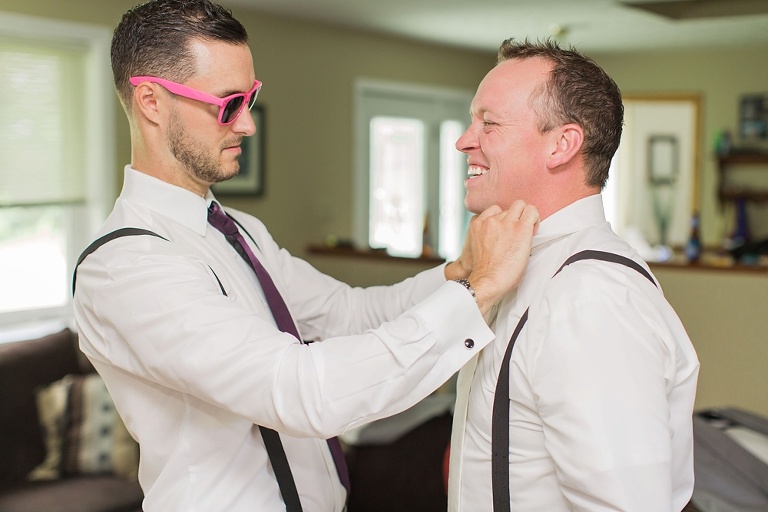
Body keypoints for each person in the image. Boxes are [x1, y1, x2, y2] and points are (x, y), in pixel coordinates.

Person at [72, 1, 539, 511]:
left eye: (250, 98)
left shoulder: (239, 231)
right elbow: (299, 391)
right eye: (229, 104)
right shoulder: (125, 267)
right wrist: (481, 293)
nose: (248, 124)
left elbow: (348, 314)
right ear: (151, 102)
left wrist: (459, 274)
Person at [446, 38, 700, 512]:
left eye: (489, 122)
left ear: (562, 144)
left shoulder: (592, 297)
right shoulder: (518, 268)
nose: (464, 139)